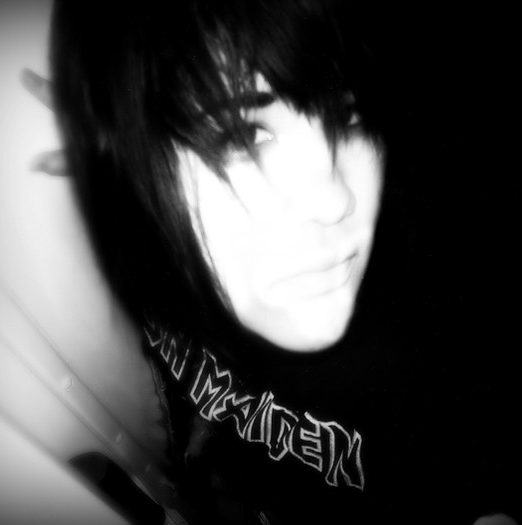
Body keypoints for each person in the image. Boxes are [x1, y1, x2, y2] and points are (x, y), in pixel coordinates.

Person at [27, 0, 521, 523]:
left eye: (349, 118)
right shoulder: (141, 229)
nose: (336, 201)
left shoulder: (435, 357)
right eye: (243, 136)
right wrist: (106, 154)